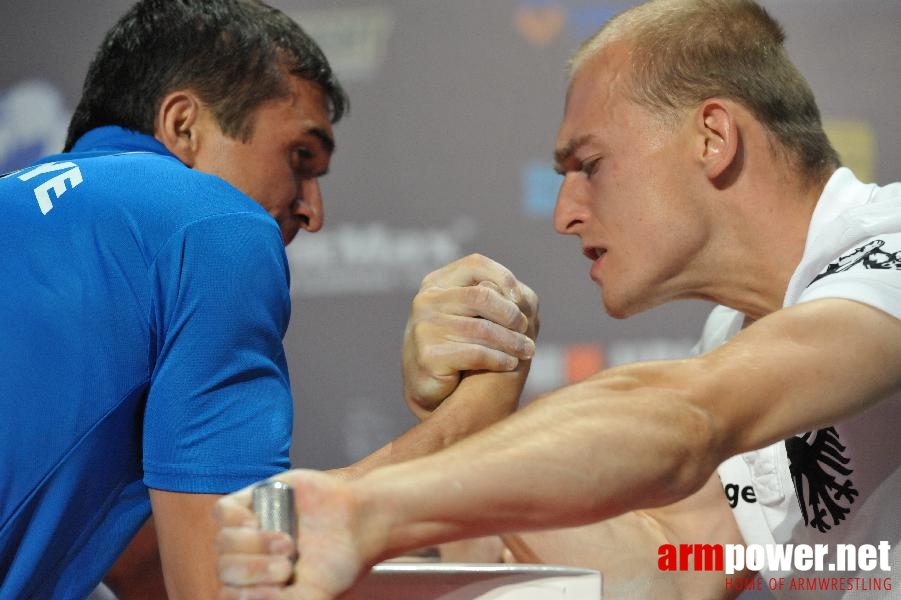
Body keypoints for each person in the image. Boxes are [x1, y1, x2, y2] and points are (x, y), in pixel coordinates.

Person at [213, 0, 901, 598]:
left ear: (711, 137)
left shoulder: (889, 243)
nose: (564, 213)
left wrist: (367, 507)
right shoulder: (736, 334)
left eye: (589, 166)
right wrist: (474, 415)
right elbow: (672, 567)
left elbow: (689, 414)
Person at [0, 1, 538, 598]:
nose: (313, 210)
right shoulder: (210, 220)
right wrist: (472, 414)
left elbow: (140, 565)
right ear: (183, 127)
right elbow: (226, 580)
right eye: (300, 158)